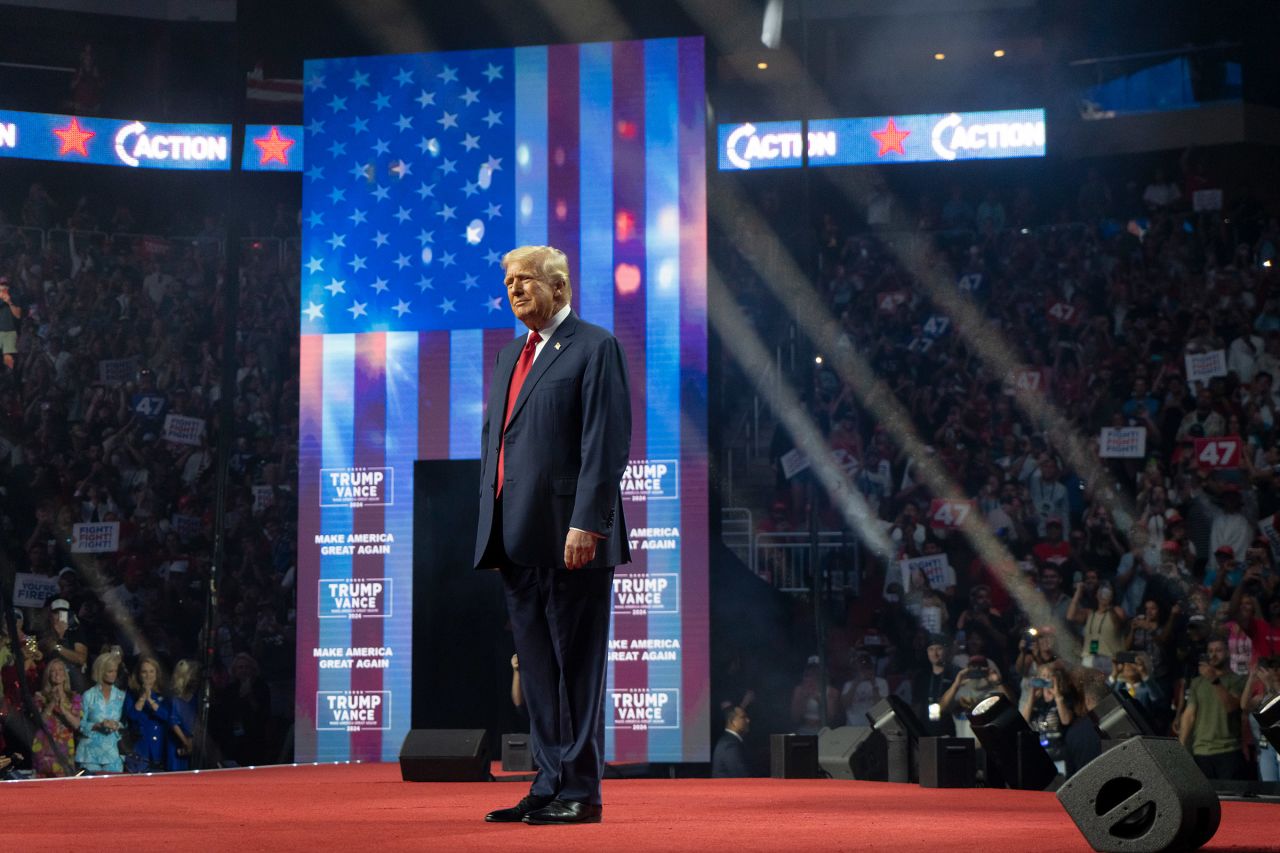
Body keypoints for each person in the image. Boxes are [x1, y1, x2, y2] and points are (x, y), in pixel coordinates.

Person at [475, 245, 631, 826]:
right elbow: (495, 446)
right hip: (516, 537)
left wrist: (586, 521)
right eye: (509, 282)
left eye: (526, 281)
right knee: (537, 667)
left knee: (576, 667)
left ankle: (581, 791)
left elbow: (606, 443)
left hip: (572, 538)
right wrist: (490, 531)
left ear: (560, 288)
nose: (514, 291)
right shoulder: (509, 355)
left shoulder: (595, 347)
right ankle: (546, 782)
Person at [1179, 637, 1248, 780]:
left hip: (1229, 750)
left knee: (1231, 800)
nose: (1213, 655)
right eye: (1210, 651)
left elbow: (1232, 707)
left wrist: (1214, 681)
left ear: (1228, 652)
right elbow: (1189, 716)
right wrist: (1181, 747)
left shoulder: (1238, 680)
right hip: (1201, 751)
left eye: (1218, 650)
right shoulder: (1197, 682)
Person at [31, 657, 81, 777]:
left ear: (65, 674)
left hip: (64, 749)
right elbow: (38, 722)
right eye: (53, 671)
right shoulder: (39, 696)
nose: (57, 673)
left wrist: (63, 709)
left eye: (60, 670)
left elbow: (77, 724)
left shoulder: (74, 697)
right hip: (43, 748)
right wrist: (52, 703)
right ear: (48, 675)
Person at [77, 651, 125, 773]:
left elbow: (125, 723)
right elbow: (80, 724)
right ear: (101, 671)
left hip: (112, 752)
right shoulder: (89, 695)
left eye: (115, 671)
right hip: (90, 753)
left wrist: (116, 725)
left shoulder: (121, 696)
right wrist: (97, 725)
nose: (114, 674)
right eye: (110, 671)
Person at [125, 656, 170, 773]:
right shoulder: (132, 694)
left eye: (151, 671)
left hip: (160, 749)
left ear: (156, 673)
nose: (148, 675)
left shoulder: (164, 694)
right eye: (144, 672)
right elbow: (132, 716)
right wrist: (143, 697)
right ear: (139, 674)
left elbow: (167, 716)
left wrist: (150, 700)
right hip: (140, 751)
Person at [910, 634, 960, 737]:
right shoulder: (921, 676)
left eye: (939, 649)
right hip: (925, 730)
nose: (935, 653)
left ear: (946, 650)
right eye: (931, 649)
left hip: (949, 728)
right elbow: (916, 705)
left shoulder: (955, 674)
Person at [1241, 656, 1280, 782]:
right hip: (1265, 747)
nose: (1273, 673)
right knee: (1269, 787)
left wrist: (1269, 684)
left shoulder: (1273, 692)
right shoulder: (1261, 697)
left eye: (1276, 669)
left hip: (1279, 745)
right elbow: (1244, 705)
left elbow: (1274, 705)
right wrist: (1251, 679)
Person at [167, 659, 199, 771]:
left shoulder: (196, 697)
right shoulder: (176, 699)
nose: (194, 679)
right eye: (192, 676)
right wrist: (185, 742)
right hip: (178, 743)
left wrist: (192, 740)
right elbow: (173, 722)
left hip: (194, 743)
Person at [711, 705, 752, 778]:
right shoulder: (730, 745)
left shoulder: (729, 741)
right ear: (733, 722)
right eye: (743, 717)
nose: (748, 720)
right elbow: (742, 777)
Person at [0, 278, 22, 371]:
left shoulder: (15, 297)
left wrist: (9, 301)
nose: (3, 286)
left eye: (5, 285)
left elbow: (18, 314)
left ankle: (9, 375)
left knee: (8, 358)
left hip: (10, 331)